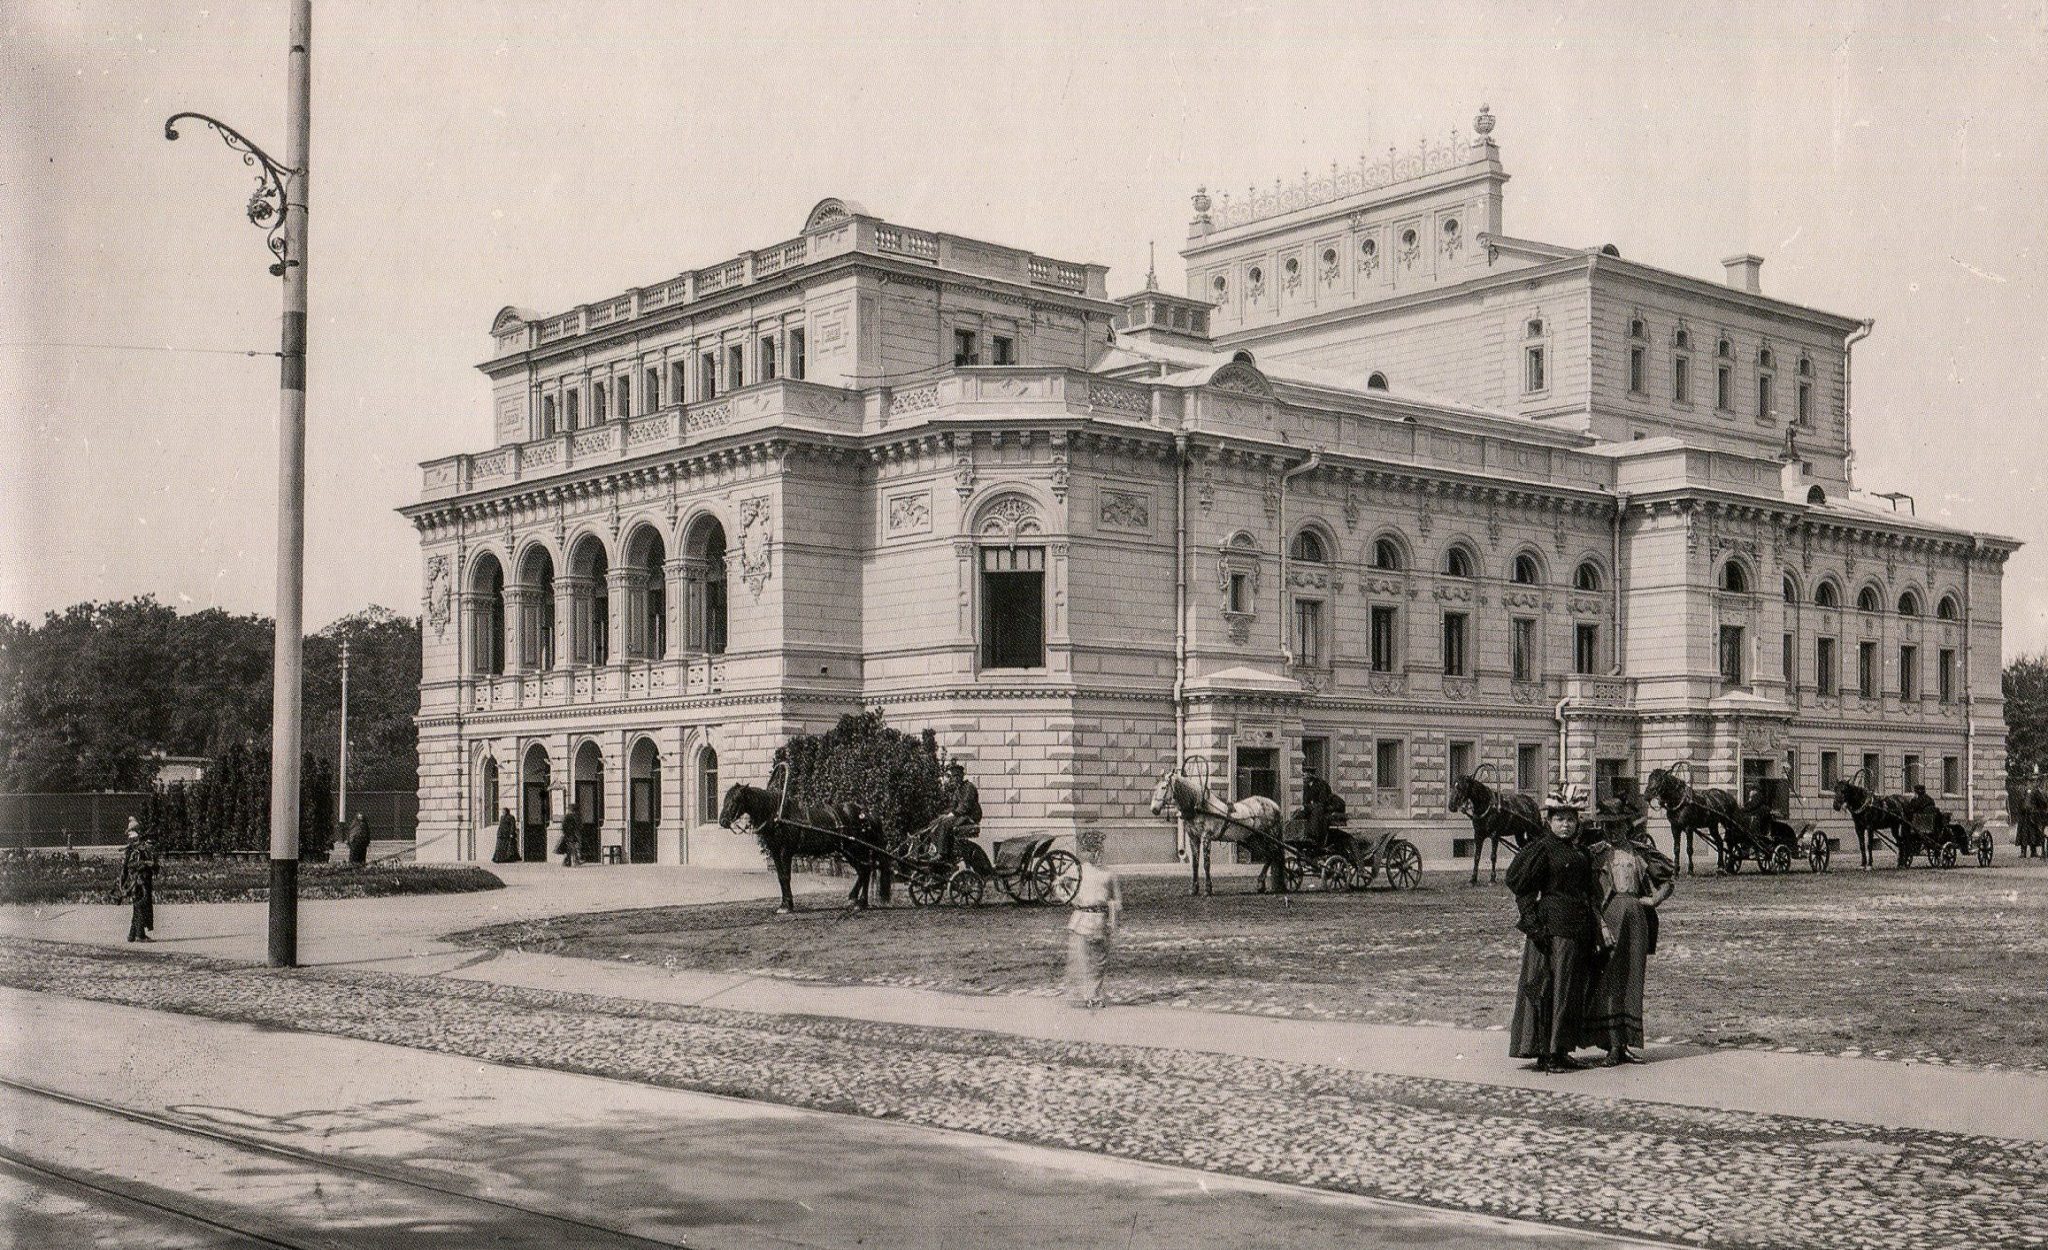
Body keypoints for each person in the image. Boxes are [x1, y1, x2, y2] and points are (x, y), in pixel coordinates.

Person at [1506, 786, 1601, 1073]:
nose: (1566, 824)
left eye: (1571, 819)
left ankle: (1562, 1049)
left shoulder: (1579, 850)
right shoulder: (1542, 849)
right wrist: (1534, 925)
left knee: (1571, 991)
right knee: (1551, 991)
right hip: (1553, 931)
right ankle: (1546, 1053)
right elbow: (1521, 889)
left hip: (1577, 928)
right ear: (1549, 820)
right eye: (1560, 819)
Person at [1583, 820, 1676, 1065]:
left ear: (1628, 827)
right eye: (1608, 826)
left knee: (1633, 978)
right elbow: (1589, 895)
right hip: (1609, 917)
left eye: (1618, 826)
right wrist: (1601, 926)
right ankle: (1612, 1045)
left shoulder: (1640, 852)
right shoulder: (1596, 854)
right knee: (1610, 978)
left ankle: (1625, 1044)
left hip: (1636, 918)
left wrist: (1654, 900)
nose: (1613, 831)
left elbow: (1668, 880)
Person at [1064, 828, 1123, 1008]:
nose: (1094, 854)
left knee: (1099, 962)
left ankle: (1093, 995)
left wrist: (1113, 921)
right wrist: (1070, 898)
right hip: (1081, 919)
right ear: (1084, 852)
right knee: (1081, 959)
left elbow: (1117, 901)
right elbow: (1060, 887)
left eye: (1096, 850)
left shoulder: (1109, 874)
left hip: (1100, 920)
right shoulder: (1076, 871)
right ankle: (1080, 995)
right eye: (1089, 850)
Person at [925, 762, 982, 864]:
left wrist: (953, 814)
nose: (954, 779)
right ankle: (934, 850)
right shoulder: (958, 790)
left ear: (961, 776)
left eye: (956, 776)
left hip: (970, 816)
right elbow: (953, 806)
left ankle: (942, 853)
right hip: (961, 815)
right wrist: (944, 814)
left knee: (945, 824)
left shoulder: (969, 787)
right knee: (934, 823)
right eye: (952, 776)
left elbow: (965, 806)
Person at [119, 819, 158, 943]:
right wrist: (147, 863)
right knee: (141, 905)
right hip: (139, 881)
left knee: (138, 906)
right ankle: (139, 935)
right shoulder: (136, 849)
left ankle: (132, 934)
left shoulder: (133, 847)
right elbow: (131, 865)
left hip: (137, 881)